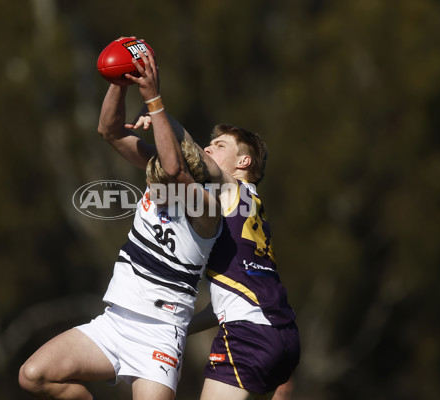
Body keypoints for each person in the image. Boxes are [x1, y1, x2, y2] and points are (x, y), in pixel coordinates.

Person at [18, 49, 221, 399]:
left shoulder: (205, 208)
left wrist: (152, 96)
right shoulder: (158, 174)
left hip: (160, 334)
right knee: (33, 375)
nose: (153, 184)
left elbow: (174, 170)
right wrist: (119, 80)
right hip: (114, 323)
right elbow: (109, 131)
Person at [124, 50, 300, 399]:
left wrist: (156, 106)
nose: (208, 149)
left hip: (248, 332)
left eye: (219, 146)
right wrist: (179, 326)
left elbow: (190, 152)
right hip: (283, 333)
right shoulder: (253, 208)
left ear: (244, 161)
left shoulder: (231, 188)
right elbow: (222, 304)